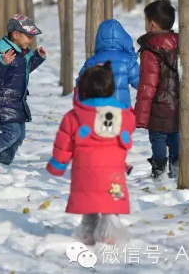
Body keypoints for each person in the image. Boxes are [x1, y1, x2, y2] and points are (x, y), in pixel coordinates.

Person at [46, 61, 136, 245]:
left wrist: (58, 165)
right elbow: (130, 128)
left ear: (83, 90)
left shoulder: (73, 116)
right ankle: (109, 231)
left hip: (85, 173)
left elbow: (64, 146)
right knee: (110, 202)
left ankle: (88, 232)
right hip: (113, 173)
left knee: (90, 201)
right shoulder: (124, 115)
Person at [0, 14, 46, 165]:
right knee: (11, 133)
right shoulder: (0, 50)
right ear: (15, 34)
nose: (31, 40)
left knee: (19, 136)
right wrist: (2, 62)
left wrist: (37, 58)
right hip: (2, 100)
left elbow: (24, 70)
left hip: (16, 101)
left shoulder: (21, 53)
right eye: (28, 36)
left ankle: (4, 162)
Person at [77, 19, 139, 175]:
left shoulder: (92, 60)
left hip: (98, 108)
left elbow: (81, 82)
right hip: (122, 110)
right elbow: (139, 82)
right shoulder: (128, 60)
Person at [134, 0, 180, 180]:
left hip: (158, 103)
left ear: (152, 24)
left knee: (159, 136)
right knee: (175, 133)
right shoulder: (179, 44)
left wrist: (141, 114)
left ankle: (159, 168)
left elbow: (147, 83)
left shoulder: (150, 50)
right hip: (177, 101)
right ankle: (177, 167)